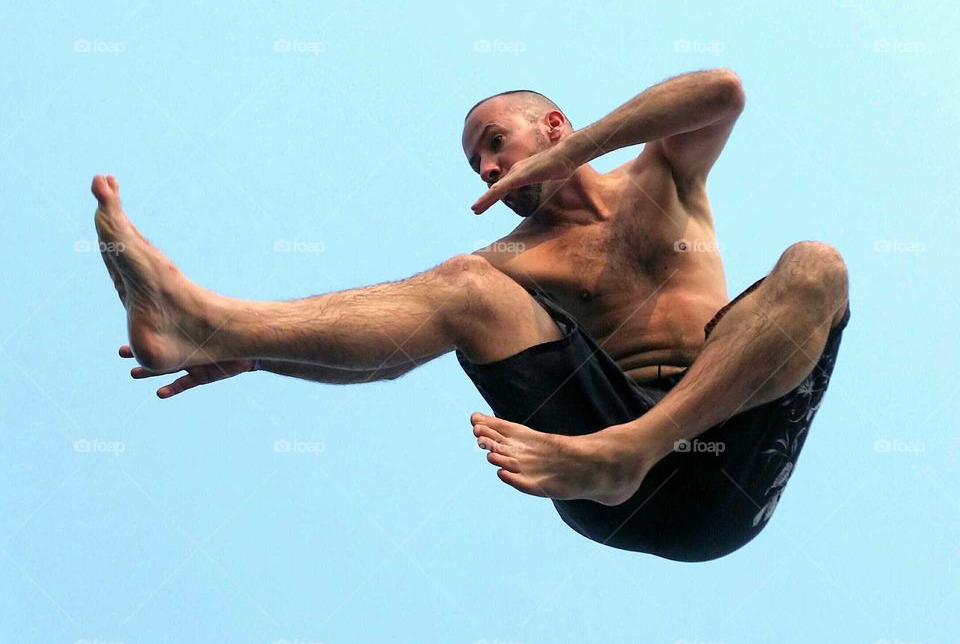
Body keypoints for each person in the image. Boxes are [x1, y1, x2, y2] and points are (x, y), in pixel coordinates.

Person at [94, 68, 850, 562]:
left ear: (553, 125)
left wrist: (577, 152)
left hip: (728, 467)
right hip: (601, 479)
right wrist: (261, 352)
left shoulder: (662, 176)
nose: (489, 168)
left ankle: (637, 445)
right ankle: (208, 322)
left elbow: (722, 92)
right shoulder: (513, 259)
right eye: (478, 165)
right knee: (462, 284)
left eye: (496, 144)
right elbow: (393, 336)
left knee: (817, 265)